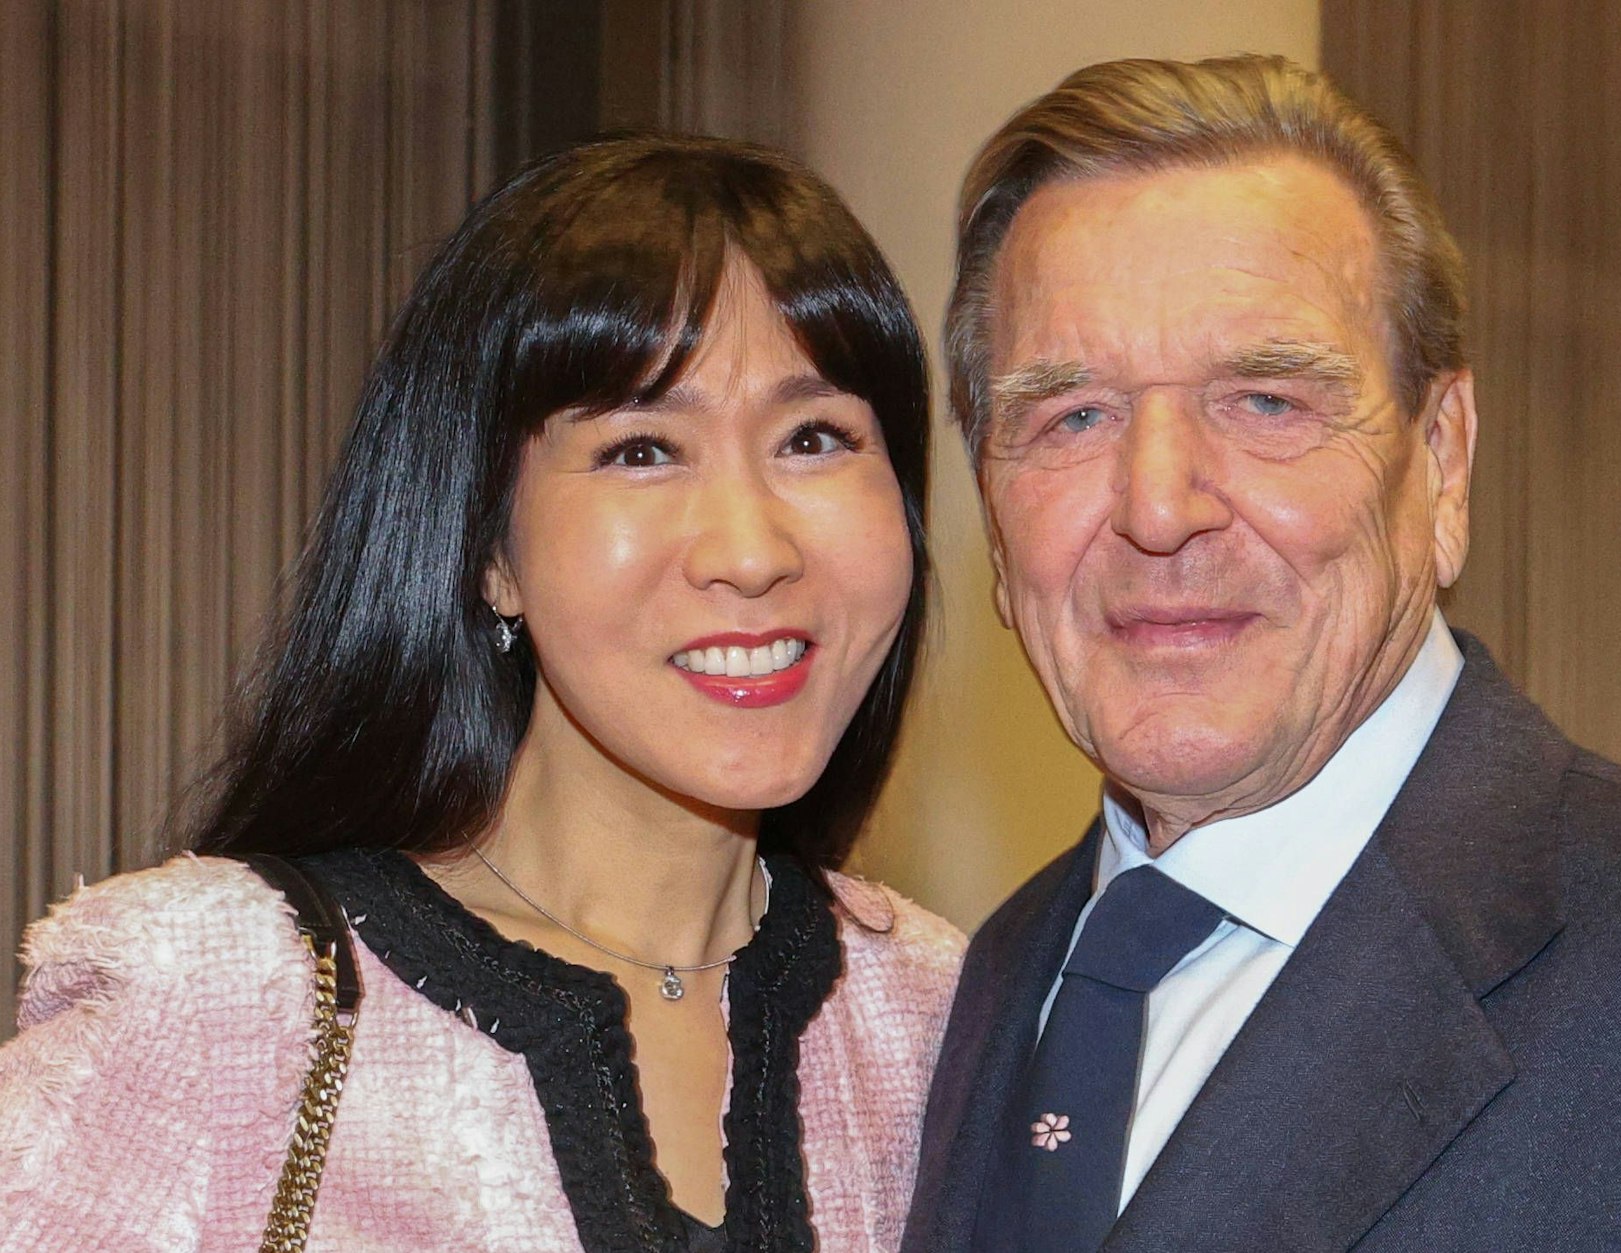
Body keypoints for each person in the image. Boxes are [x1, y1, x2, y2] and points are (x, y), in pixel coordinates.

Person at [908, 54, 1621, 1252]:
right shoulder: (986, 980)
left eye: (1264, 401)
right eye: (1071, 415)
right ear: (990, 510)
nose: (1156, 506)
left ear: (1441, 460)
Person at [0, 134, 963, 1253]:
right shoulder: (218, 1000)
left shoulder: (950, 1018)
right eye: (642, 450)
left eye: (814, 437)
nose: (750, 552)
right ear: (490, 549)